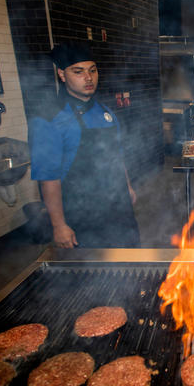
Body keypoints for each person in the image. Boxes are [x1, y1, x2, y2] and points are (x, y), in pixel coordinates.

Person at [28, 42, 140, 248]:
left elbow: (117, 154)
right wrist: (59, 225)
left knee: (132, 262)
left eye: (92, 70)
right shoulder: (48, 119)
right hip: (82, 215)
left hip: (119, 206)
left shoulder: (105, 111)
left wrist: (128, 186)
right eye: (78, 72)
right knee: (94, 273)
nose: (88, 78)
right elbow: (49, 178)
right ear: (62, 74)